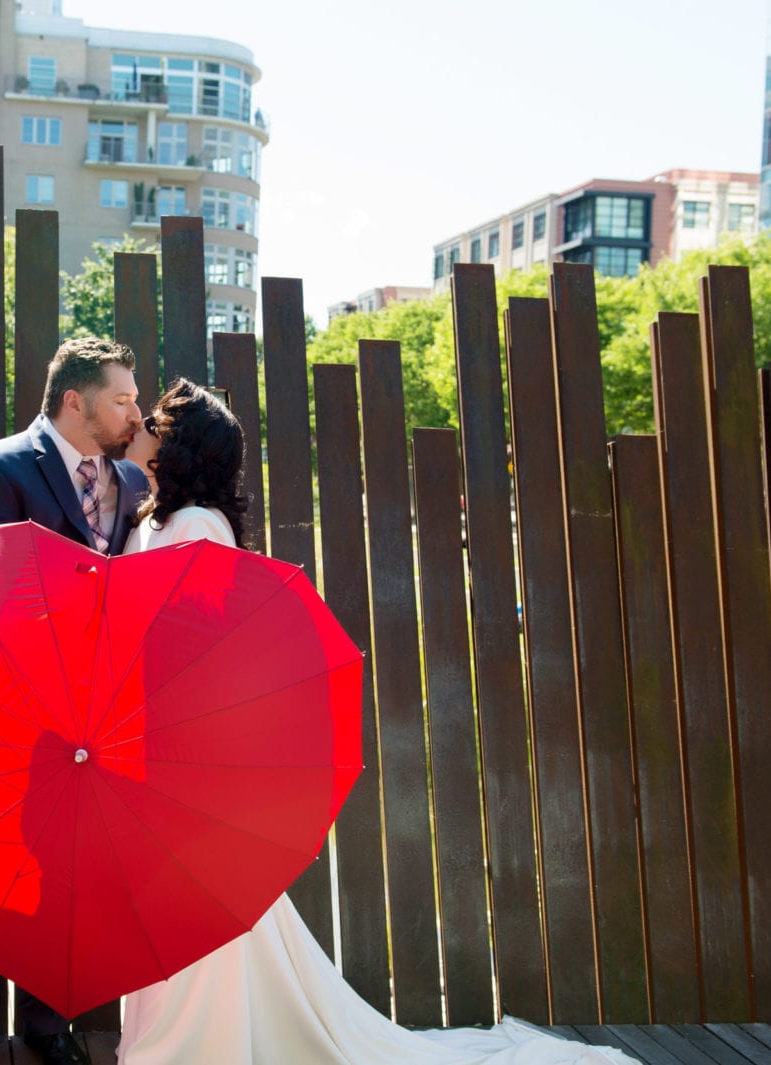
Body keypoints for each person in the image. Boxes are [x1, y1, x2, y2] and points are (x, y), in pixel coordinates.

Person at [116, 378, 637, 1065]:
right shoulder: (147, 521)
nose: (141, 425)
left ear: (179, 443)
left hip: (181, 746)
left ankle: (194, 1044)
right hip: (140, 740)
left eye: (153, 418)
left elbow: (211, 646)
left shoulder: (198, 526)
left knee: (194, 904)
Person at [0, 337, 150, 1065]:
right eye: (121, 398)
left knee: (68, 876)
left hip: (92, 719)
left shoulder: (132, 484)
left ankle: (49, 1029)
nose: (134, 411)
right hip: (5, 710)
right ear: (72, 401)